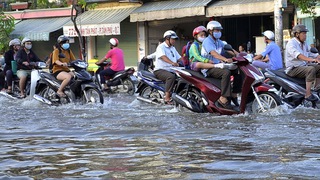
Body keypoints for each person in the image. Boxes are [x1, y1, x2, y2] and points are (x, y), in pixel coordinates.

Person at [201, 20, 242, 109]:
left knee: (238, 70)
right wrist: (225, 59)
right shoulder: (207, 41)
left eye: (219, 30)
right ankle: (223, 97)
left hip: (219, 65)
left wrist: (239, 55)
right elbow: (213, 53)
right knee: (226, 73)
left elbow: (228, 49)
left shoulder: (219, 41)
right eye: (216, 30)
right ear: (210, 31)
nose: (218, 32)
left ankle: (234, 94)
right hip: (209, 68)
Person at [285, 24, 320, 101]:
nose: (305, 35)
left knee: (318, 67)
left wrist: (317, 56)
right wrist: (312, 60)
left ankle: (316, 89)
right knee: (310, 69)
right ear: (297, 34)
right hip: (293, 69)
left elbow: (310, 53)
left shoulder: (304, 44)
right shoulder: (291, 43)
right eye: (303, 33)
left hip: (303, 66)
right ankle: (308, 94)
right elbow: (299, 56)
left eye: (305, 33)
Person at [154, 30, 182, 104]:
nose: (174, 41)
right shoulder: (161, 47)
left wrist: (187, 62)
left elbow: (179, 58)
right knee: (171, 77)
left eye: (175, 39)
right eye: (173, 39)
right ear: (167, 38)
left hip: (172, 69)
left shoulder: (173, 48)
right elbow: (163, 57)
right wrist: (172, 63)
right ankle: (167, 97)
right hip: (160, 70)